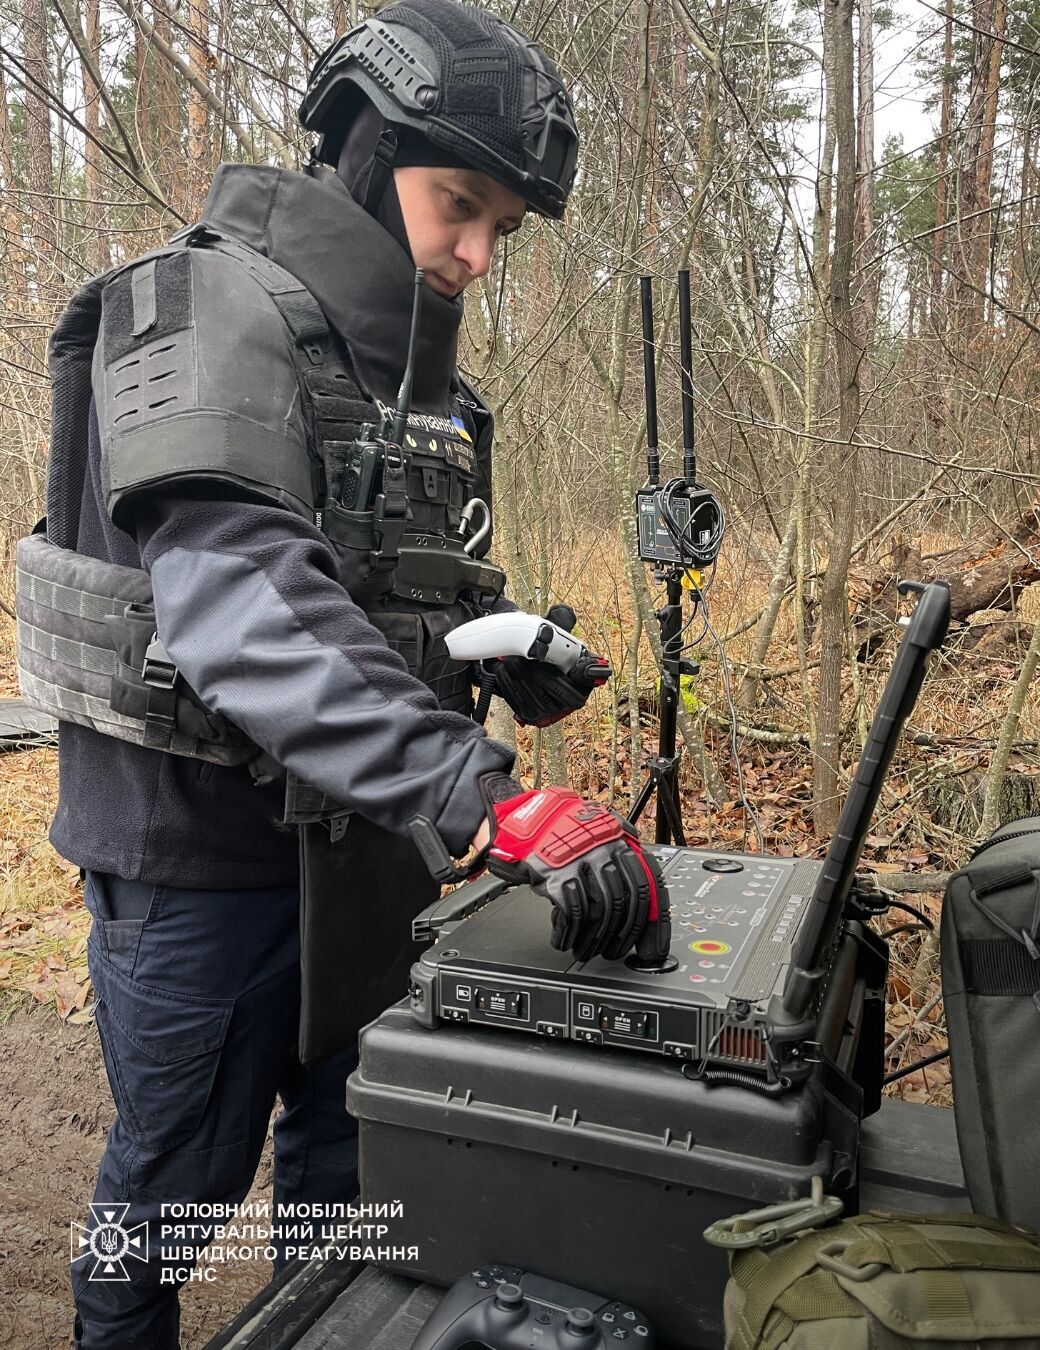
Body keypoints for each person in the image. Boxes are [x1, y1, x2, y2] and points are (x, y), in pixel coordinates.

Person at [25, 2, 667, 1345]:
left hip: (369, 861)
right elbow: (243, 599)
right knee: (164, 1202)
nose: (479, 254)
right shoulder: (200, 308)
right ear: (369, 153)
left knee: (351, 1197)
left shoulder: (413, 380)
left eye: (506, 227)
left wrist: (497, 652)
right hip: (206, 867)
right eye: (461, 205)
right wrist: (478, 789)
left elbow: (380, 601)